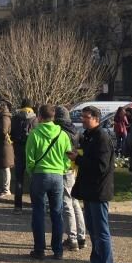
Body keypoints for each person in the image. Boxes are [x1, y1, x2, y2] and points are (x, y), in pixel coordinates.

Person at [71, 106, 116, 263]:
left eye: (86, 117)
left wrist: (79, 159)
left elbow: (101, 166)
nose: (83, 120)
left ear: (96, 118)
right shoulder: (89, 136)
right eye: (82, 117)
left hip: (99, 190)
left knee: (101, 231)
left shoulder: (102, 137)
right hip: (89, 189)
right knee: (93, 229)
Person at [25, 104, 72, 260]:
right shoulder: (62, 134)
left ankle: (39, 249)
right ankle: (57, 250)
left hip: (40, 174)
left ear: (40, 117)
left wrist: (32, 170)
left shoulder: (35, 134)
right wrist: (62, 168)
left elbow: (29, 157)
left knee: (38, 212)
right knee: (57, 213)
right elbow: (67, 157)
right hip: (58, 175)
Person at [56, 106, 86, 252]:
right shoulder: (75, 130)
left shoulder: (61, 131)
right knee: (75, 203)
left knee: (67, 203)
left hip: (64, 167)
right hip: (73, 168)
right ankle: (81, 236)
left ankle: (72, 238)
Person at [11, 101, 37, 213]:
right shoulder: (35, 119)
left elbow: (11, 133)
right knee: (34, 179)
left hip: (18, 149)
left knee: (19, 179)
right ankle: (34, 205)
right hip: (31, 150)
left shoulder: (15, 118)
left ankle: (18, 206)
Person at [0, 103, 15, 198]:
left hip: (4, 146)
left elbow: (3, 131)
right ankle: (3, 188)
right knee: (3, 167)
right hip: (1, 145)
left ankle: (6, 189)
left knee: (5, 167)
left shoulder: (4, 118)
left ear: (0, 109)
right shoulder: (2, 117)